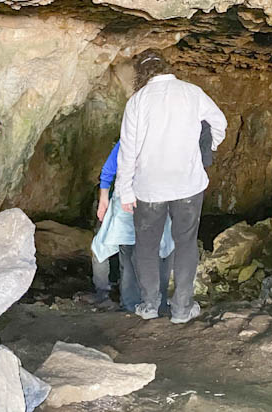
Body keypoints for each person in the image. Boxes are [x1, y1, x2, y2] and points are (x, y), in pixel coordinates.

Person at [116, 50, 227, 324]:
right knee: (186, 244)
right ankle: (181, 309)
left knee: (146, 247)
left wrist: (125, 191)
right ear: (166, 67)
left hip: (149, 188)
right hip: (187, 185)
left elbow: (127, 151)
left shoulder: (137, 101)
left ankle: (150, 305)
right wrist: (209, 147)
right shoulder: (192, 92)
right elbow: (219, 123)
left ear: (141, 74)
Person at [90, 139, 174, 313]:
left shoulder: (129, 138)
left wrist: (104, 199)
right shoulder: (166, 138)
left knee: (127, 255)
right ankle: (158, 301)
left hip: (130, 201)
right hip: (155, 200)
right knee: (159, 250)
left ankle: (129, 303)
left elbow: (108, 170)